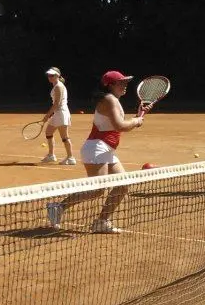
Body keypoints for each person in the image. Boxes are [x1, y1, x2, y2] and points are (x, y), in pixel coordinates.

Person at [47, 70, 146, 233]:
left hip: (106, 150)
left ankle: (101, 221)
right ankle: (58, 207)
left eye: (125, 82)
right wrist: (136, 121)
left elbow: (119, 124)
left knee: (123, 184)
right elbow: (120, 126)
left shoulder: (112, 99)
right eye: (121, 82)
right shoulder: (109, 100)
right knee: (97, 189)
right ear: (110, 85)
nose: (125, 85)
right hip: (97, 149)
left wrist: (137, 116)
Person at [41, 67, 75, 165]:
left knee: (64, 137)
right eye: (49, 75)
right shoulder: (56, 85)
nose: (50, 77)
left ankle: (71, 158)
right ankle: (51, 155)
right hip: (58, 113)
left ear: (57, 76)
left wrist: (47, 115)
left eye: (52, 75)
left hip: (61, 113)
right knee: (48, 132)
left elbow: (57, 104)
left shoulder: (58, 87)